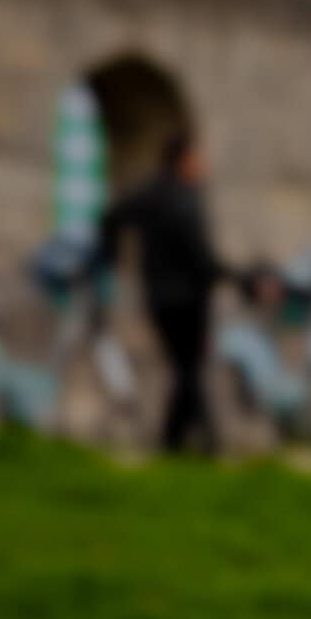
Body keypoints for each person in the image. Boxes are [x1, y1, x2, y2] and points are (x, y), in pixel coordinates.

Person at [94, 131, 231, 453]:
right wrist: (229, 274)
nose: (203, 165)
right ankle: (190, 440)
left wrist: (111, 258)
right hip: (188, 299)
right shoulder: (184, 198)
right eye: (198, 158)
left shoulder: (151, 193)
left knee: (186, 368)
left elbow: (111, 218)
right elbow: (199, 255)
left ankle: (184, 439)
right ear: (184, 160)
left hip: (159, 296)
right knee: (189, 368)